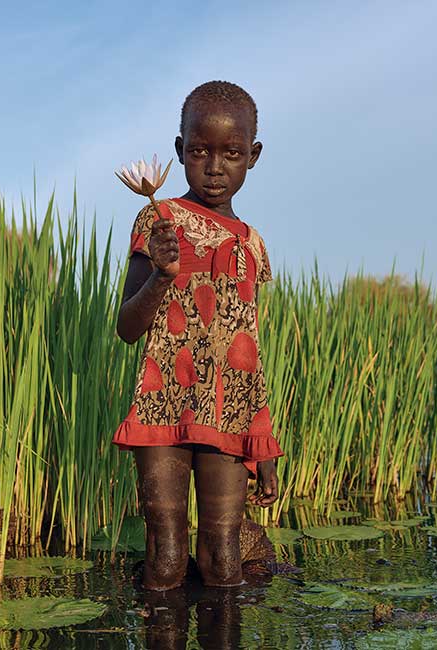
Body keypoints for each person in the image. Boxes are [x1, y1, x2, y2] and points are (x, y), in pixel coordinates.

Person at [112, 80, 284, 591]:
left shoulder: (252, 244)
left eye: (231, 153)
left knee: (223, 562)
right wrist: (163, 275)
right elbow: (126, 328)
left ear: (252, 156)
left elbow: (246, 350)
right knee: (164, 559)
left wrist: (266, 447)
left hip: (230, 415)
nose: (214, 166)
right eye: (199, 151)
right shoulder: (158, 220)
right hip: (163, 407)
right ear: (179, 151)